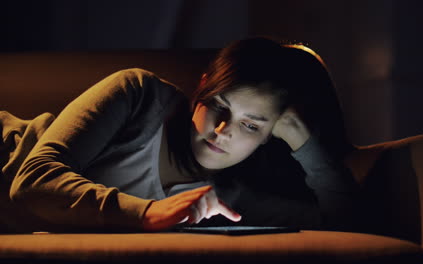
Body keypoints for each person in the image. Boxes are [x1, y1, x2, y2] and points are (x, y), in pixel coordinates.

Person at [0, 37, 360, 233]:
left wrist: (304, 143)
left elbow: (341, 222)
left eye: (250, 125)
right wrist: (147, 213)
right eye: (220, 105)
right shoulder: (138, 93)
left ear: (269, 136)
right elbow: (32, 181)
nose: (222, 131)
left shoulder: (231, 199)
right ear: (202, 87)